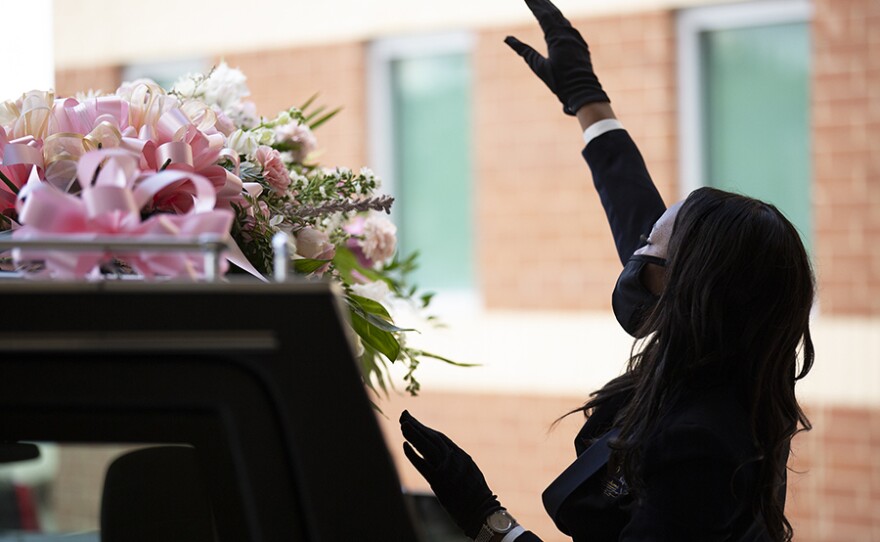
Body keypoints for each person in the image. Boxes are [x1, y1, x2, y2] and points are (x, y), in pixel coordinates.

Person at [398, 0, 815, 541]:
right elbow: (633, 205)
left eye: (658, 239)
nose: (644, 240)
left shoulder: (702, 445)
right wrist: (586, 100)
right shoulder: (726, 358)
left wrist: (487, 518)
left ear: (687, 287)